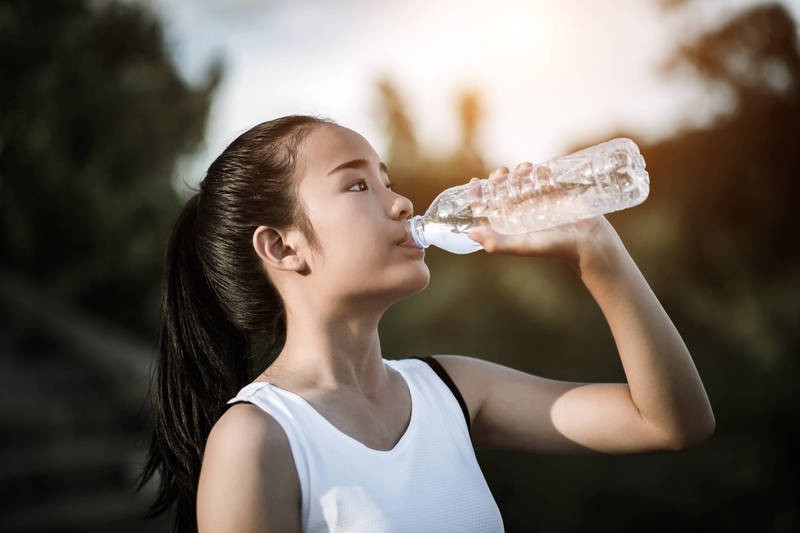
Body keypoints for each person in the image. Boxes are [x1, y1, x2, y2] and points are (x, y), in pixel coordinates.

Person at [136, 115, 715, 533]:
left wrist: (595, 250)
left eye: (388, 180)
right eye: (358, 184)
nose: (402, 203)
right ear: (282, 247)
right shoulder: (257, 441)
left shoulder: (453, 391)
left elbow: (670, 422)